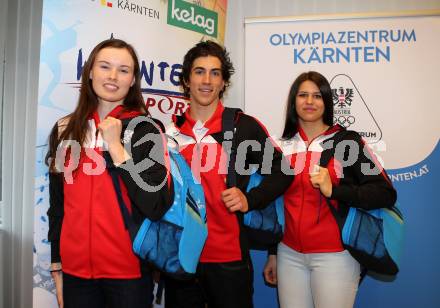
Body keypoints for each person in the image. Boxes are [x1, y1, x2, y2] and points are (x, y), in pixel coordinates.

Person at [163, 40, 293, 308]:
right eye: (199, 72)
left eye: (215, 73)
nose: (206, 80)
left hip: (228, 260)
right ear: (186, 80)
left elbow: (282, 171)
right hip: (181, 258)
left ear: (224, 82)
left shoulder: (242, 127)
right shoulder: (169, 131)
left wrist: (250, 199)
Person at [46, 38, 173, 308]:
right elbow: (58, 206)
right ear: (90, 71)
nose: (113, 76)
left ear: (133, 80)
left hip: (128, 274)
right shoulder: (65, 130)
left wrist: (116, 147)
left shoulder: (144, 129)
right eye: (105, 66)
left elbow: (156, 203)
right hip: (76, 273)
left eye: (123, 70)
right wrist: (57, 265)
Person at [263, 71, 397, 308]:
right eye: (303, 95)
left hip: (335, 256)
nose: (309, 101)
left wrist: (334, 190)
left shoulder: (347, 142)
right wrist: (273, 252)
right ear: (294, 101)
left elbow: (384, 193)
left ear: (326, 101)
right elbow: (276, 203)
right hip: (288, 254)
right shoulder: (282, 146)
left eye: (317, 96)